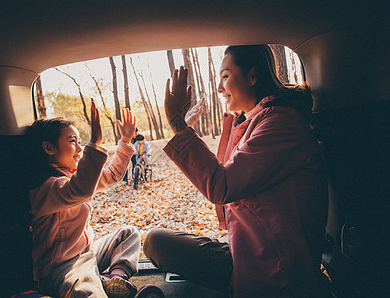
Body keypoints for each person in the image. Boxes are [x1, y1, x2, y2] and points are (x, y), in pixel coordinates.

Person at [144, 45, 329, 297]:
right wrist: (188, 127)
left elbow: (222, 185)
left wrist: (178, 125)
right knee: (157, 242)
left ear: (253, 76)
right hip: (248, 249)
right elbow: (225, 178)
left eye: (225, 76)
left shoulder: (281, 123)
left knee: (157, 242)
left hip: (277, 268)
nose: (219, 89)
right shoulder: (259, 120)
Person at [25, 99, 141, 298]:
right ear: (48, 148)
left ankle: (115, 279)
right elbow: (79, 190)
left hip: (88, 254)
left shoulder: (75, 177)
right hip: (61, 269)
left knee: (128, 234)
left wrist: (126, 141)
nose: (79, 148)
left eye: (81, 142)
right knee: (88, 292)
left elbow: (111, 175)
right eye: (73, 142)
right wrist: (93, 144)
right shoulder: (45, 189)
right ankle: (99, 288)